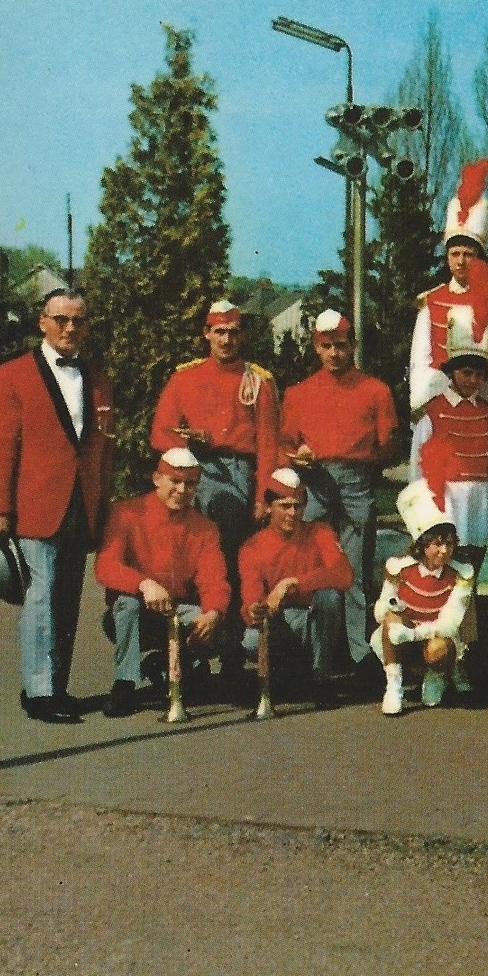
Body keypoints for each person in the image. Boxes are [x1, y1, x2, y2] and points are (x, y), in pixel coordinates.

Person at [0, 288, 115, 722]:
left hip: (82, 505)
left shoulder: (97, 377)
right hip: (35, 504)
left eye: (78, 321)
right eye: (60, 319)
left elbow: (102, 449)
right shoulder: (10, 376)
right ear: (42, 322)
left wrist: (103, 506)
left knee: (68, 599)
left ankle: (56, 687)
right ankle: (38, 692)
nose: (69, 328)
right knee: (41, 597)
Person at [150, 298, 279, 691]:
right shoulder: (184, 378)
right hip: (191, 470)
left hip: (236, 472)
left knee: (230, 557)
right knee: (187, 555)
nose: (226, 339)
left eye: (233, 332)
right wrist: (191, 439)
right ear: (206, 334)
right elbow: (160, 433)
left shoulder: (259, 380)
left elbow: (268, 446)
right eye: (219, 331)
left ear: (243, 335)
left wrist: (263, 495)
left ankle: (233, 648)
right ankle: (190, 651)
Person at [278, 309, 400, 672]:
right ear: (316, 347)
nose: (335, 353)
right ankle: (315, 651)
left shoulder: (375, 390)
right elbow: (285, 440)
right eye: (327, 346)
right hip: (314, 481)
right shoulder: (299, 393)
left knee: (355, 570)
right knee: (310, 563)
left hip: (356, 479)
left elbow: (388, 443)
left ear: (353, 346)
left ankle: (358, 652)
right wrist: (297, 455)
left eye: (341, 346)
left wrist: (364, 462)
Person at [94, 448, 229, 718]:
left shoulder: (204, 527)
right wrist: (143, 584)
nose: (182, 489)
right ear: (157, 478)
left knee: (220, 626)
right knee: (127, 603)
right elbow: (105, 566)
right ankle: (125, 683)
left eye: (190, 484)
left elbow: (214, 578)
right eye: (175, 481)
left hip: (177, 610)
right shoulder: (126, 513)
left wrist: (214, 612)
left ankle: (174, 665)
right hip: (138, 612)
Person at [407, 159, 488, 437]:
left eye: (468, 254)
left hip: (478, 399)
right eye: (454, 254)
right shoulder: (432, 302)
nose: (461, 261)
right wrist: (421, 401)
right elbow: (420, 358)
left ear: (479, 257)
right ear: (446, 257)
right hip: (435, 397)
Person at [408, 301, 488, 576]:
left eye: (479, 374)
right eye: (466, 373)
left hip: (480, 504)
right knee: (445, 575)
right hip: (446, 503)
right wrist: (425, 514)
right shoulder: (432, 411)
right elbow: (417, 469)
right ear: (451, 372)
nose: (472, 380)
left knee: (473, 574)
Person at [237, 467, 354, 710]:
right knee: (250, 640)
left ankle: (321, 679)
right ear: (269, 507)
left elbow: (343, 575)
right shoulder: (252, 546)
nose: (293, 513)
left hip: (314, 620)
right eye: (285, 506)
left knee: (330, 596)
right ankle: (286, 675)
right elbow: (251, 593)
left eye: (298, 506)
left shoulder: (320, 531)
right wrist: (255, 609)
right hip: (279, 620)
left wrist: (293, 583)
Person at [374, 477, 475, 715]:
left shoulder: (460, 574)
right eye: (437, 544)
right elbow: (380, 610)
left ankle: (435, 674)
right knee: (390, 619)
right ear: (422, 544)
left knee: (439, 649)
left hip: (433, 639)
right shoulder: (400, 568)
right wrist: (397, 611)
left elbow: (449, 625)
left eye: (449, 544)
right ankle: (394, 684)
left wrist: (413, 633)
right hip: (403, 637)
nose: (444, 550)